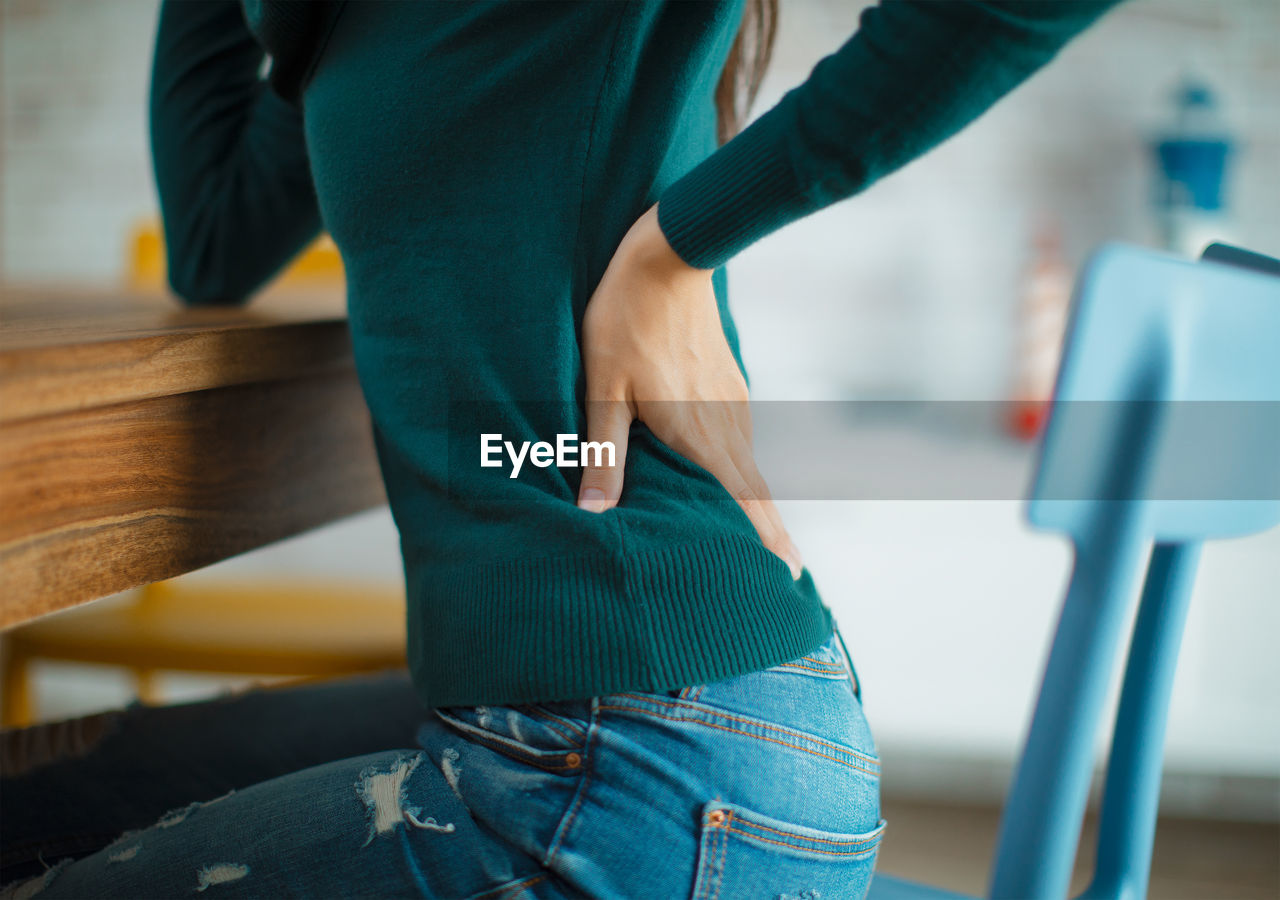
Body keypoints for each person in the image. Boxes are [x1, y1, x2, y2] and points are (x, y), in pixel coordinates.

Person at [0, 0, 1119, 896]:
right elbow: (213, 239)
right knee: (50, 792)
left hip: (634, 760)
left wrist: (675, 245)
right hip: (585, 722)